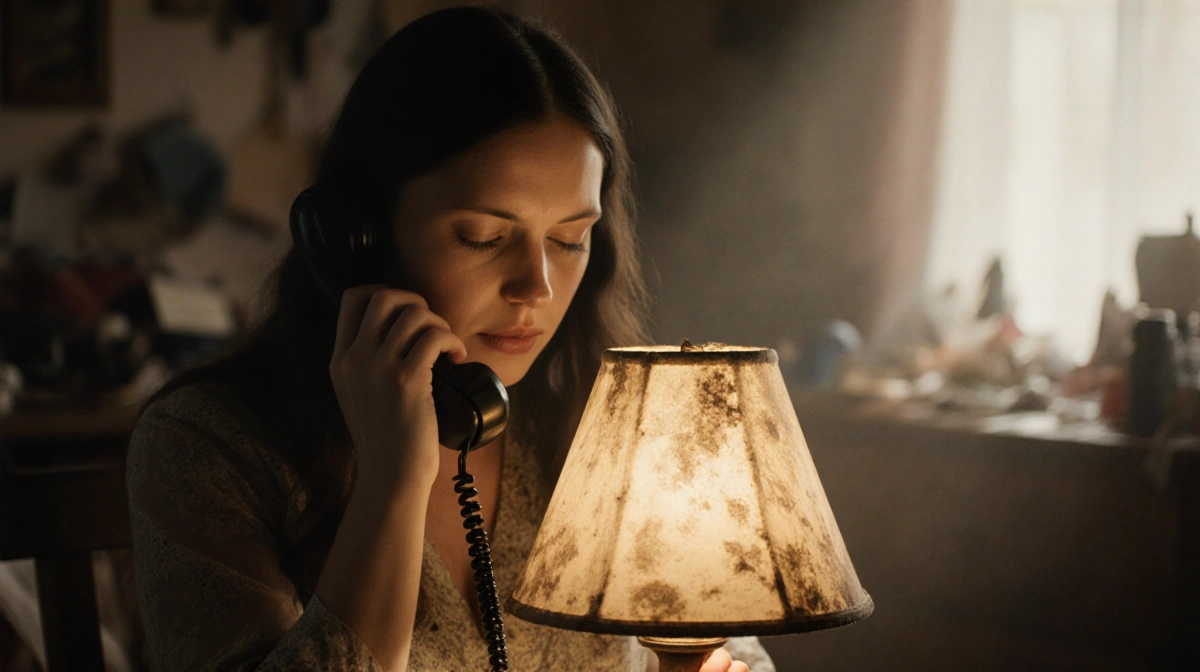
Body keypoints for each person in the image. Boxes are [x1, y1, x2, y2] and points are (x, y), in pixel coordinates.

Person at [126, 7, 775, 671]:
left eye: (569, 239)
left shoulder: (600, 425)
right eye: (485, 238)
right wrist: (393, 477)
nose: (537, 286)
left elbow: (729, 642)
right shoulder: (205, 446)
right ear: (360, 236)